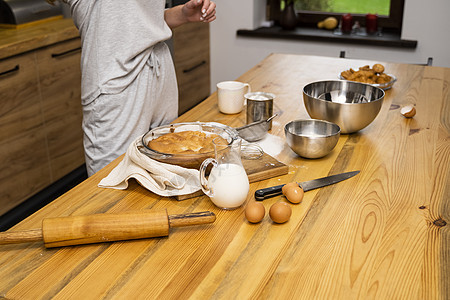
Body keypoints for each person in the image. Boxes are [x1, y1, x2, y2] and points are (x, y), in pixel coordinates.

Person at [48, 0, 216, 176]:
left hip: (158, 66)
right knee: (113, 185)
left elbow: (136, 21)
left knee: (168, 176)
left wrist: (181, 14)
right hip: (119, 80)